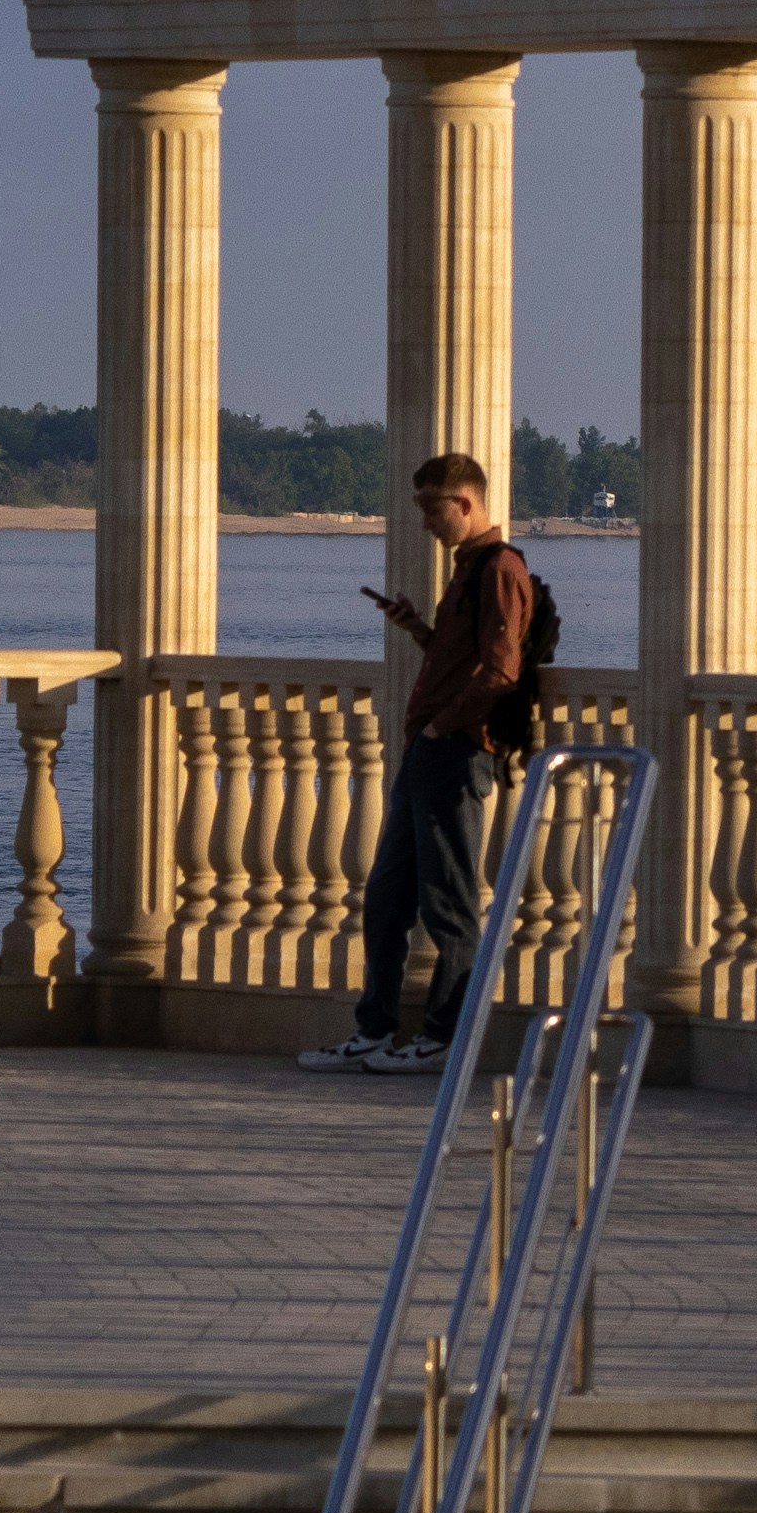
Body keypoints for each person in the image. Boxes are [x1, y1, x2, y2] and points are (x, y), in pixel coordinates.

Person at [300, 456, 544, 1074]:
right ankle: (376, 1028)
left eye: (434, 509)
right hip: (428, 751)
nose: (428, 524)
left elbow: (501, 669)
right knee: (386, 898)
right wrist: (418, 629)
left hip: (456, 752)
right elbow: (462, 655)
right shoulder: (466, 572)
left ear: (466, 503)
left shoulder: (500, 569)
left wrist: (442, 726)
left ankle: (444, 1036)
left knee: (449, 902)